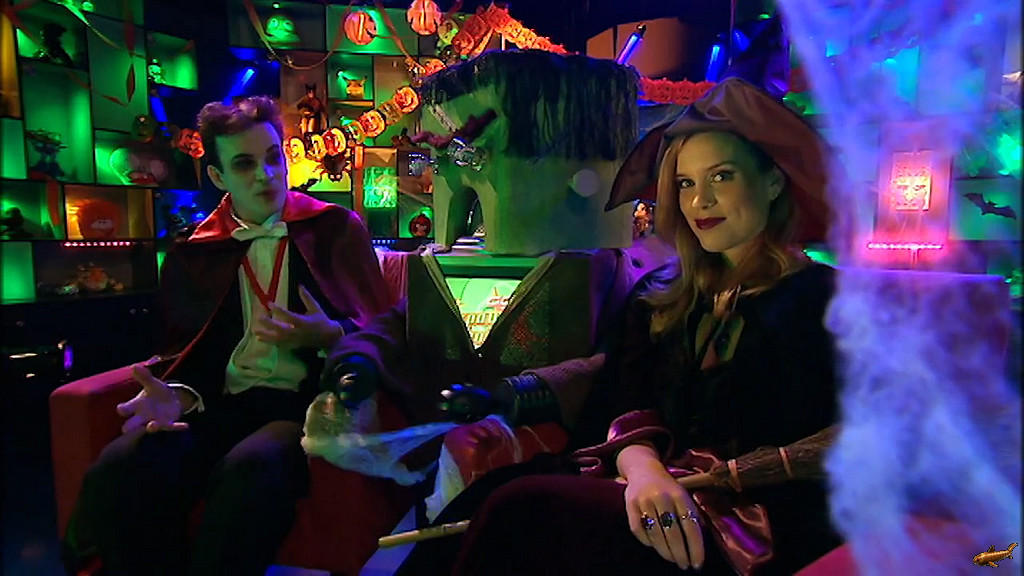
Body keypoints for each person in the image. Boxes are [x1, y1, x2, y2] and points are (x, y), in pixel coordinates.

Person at [444, 77, 841, 575]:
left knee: (523, 509)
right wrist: (643, 468)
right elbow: (623, 394)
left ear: (773, 182)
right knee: (493, 499)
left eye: (721, 177)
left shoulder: (823, 300)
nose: (699, 202)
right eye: (686, 183)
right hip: (644, 484)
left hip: (747, 521)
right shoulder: (661, 294)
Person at [61, 95, 391, 576]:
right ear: (218, 176)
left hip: (300, 407)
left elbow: (383, 329)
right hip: (219, 406)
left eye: (274, 157)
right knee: (125, 463)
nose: (266, 175)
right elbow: (188, 349)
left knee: (250, 470)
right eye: (245, 164)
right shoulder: (196, 252)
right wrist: (178, 393)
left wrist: (332, 336)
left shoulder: (335, 229)